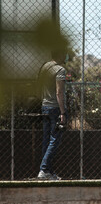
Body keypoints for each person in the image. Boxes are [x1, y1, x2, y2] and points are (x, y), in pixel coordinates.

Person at [37, 50, 67, 180]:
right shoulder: (60, 70)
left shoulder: (45, 67)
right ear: (60, 55)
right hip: (55, 108)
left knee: (46, 140)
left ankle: (47, 171)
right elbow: (59, 92)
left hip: (45, 106)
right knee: (55, 139)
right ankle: (44, 170)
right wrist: (63, 112)